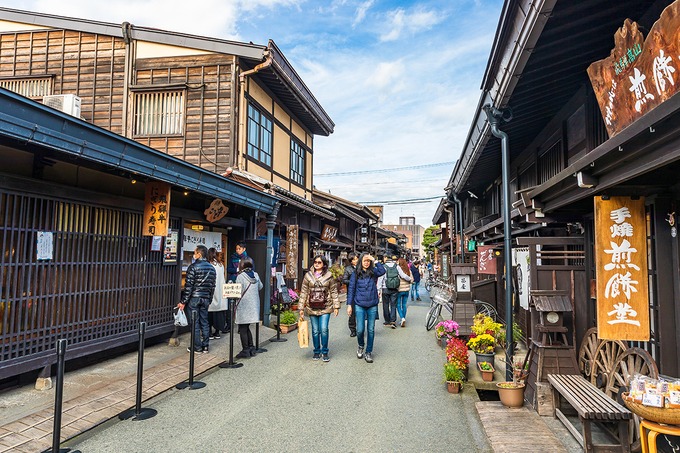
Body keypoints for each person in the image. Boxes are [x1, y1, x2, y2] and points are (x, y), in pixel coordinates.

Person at [298, 255, 339, 362]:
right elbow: (304, 292)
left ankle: (325, 351)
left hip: (326, 306)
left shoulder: (329, 276)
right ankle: (316, 351)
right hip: (312, 307)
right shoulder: (308, 276)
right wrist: (301, 308)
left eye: (319, 262)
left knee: (324, 329)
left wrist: (336, 306)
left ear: (324, 264)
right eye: (315, 262)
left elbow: (334, 291)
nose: (317, 264)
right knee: (315, 331)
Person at [347, 253, 385, 363]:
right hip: (359, 304)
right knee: (360, 330)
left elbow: (382, 271)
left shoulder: (373, 272)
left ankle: (368, 352)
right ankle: (360, 346)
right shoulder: (356, 273)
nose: (367, 263)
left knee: (371, 329)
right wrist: (349, 305)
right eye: (365, 261)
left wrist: (375, 260)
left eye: (368, 261)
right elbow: (351, 289)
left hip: (372, 304)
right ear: (360, 262)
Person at [177, 245, 216, 353]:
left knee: (195, 323)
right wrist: (210, 299)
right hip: (205, 298)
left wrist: (183, 301)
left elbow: (188, 287)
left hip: (194, 298)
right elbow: (213, 286)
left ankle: (197, 347)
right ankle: (205, 346)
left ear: (199, 254)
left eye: (195, 252)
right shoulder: (212, 268)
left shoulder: (193, 267)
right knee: (204, 321)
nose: (193, 255)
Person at [234, 257, 263, 358]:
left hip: (244, 305)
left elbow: (237, 292)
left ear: (242, 265)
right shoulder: (256, 275)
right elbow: (260, 287)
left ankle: (245, 350)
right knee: (246, 327)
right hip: (254, 306)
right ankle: (251, 348)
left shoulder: (240, 276)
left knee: (243, 328)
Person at [207, 248, 228, 339]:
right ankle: (217, 332)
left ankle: (209, 333)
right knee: (219, 313)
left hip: (212, 290)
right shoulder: (220, 265)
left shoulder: (209, 265)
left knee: (209, 313)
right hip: (220, 290)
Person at [381, 255, 400, 328]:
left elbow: (381, 278)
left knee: (385, 305)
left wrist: (378, 289)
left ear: (386, 258)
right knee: (393, 305)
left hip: (385, 288)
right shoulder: (396, 266)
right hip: (394, 288)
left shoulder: (383, 267)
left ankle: (387, 321)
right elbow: (402, 275)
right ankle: (393, 321)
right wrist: (409, 279)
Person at [342, 252, 359, 337]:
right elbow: (344, 280)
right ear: (351, 261)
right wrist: (353, 282)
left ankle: (360, 329)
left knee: (360, 312)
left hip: (361, 293)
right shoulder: (348, 269)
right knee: (352, 313)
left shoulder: (361, 268)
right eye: (354, 259)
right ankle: (353, 329)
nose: (356, 260)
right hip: (352, 293)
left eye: (357, 258)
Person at [396, 258, 413, 327]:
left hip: (399, 290)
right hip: (406, 290)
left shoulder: (397, 270)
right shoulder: (408, 270)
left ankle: (402, 318)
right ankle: (403, 318)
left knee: (398, 305)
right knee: (404, 304)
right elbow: (412, 280)